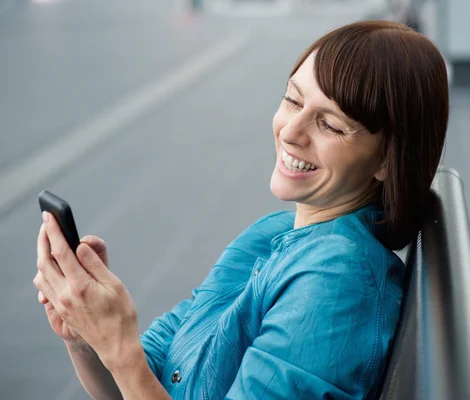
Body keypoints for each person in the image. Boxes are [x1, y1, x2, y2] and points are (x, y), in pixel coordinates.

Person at [33, 20, 449, 399]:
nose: (290, 130)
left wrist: (118, 349)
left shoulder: (338, 281)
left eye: (330, 125)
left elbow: (132, 372)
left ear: (386, 161)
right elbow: (143, 377)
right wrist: (86, 337)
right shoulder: (270, 234)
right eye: (292, 99)